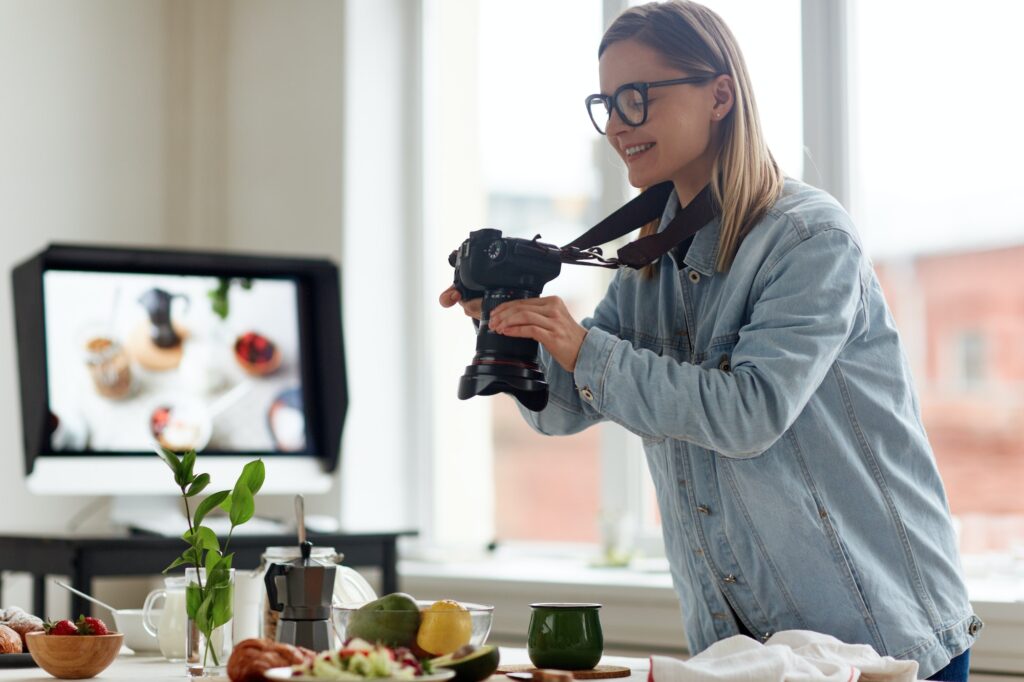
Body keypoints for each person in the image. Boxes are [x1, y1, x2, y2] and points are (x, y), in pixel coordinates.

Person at [439, 1, 979, 679]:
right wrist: (509, 326)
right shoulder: (649, 264)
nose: (616, 125)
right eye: (606, 103)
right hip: (745, 656)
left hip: (876, 645)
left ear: (720, 94)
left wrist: (582, 347)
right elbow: (567, 408)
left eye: (636, 98)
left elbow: (750, 413)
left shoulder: (808, 239)